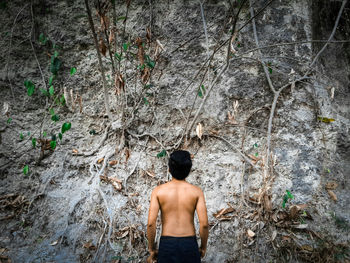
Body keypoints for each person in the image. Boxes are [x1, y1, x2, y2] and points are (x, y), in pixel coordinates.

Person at [147, 150, 209, 263]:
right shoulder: (196, 192)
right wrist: (203, 247)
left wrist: (152, 249)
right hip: (189, 245)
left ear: (169, 169)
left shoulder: (158, 191)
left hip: (167, 245)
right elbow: (204, 224)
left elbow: (151, 223)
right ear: (189, 170)